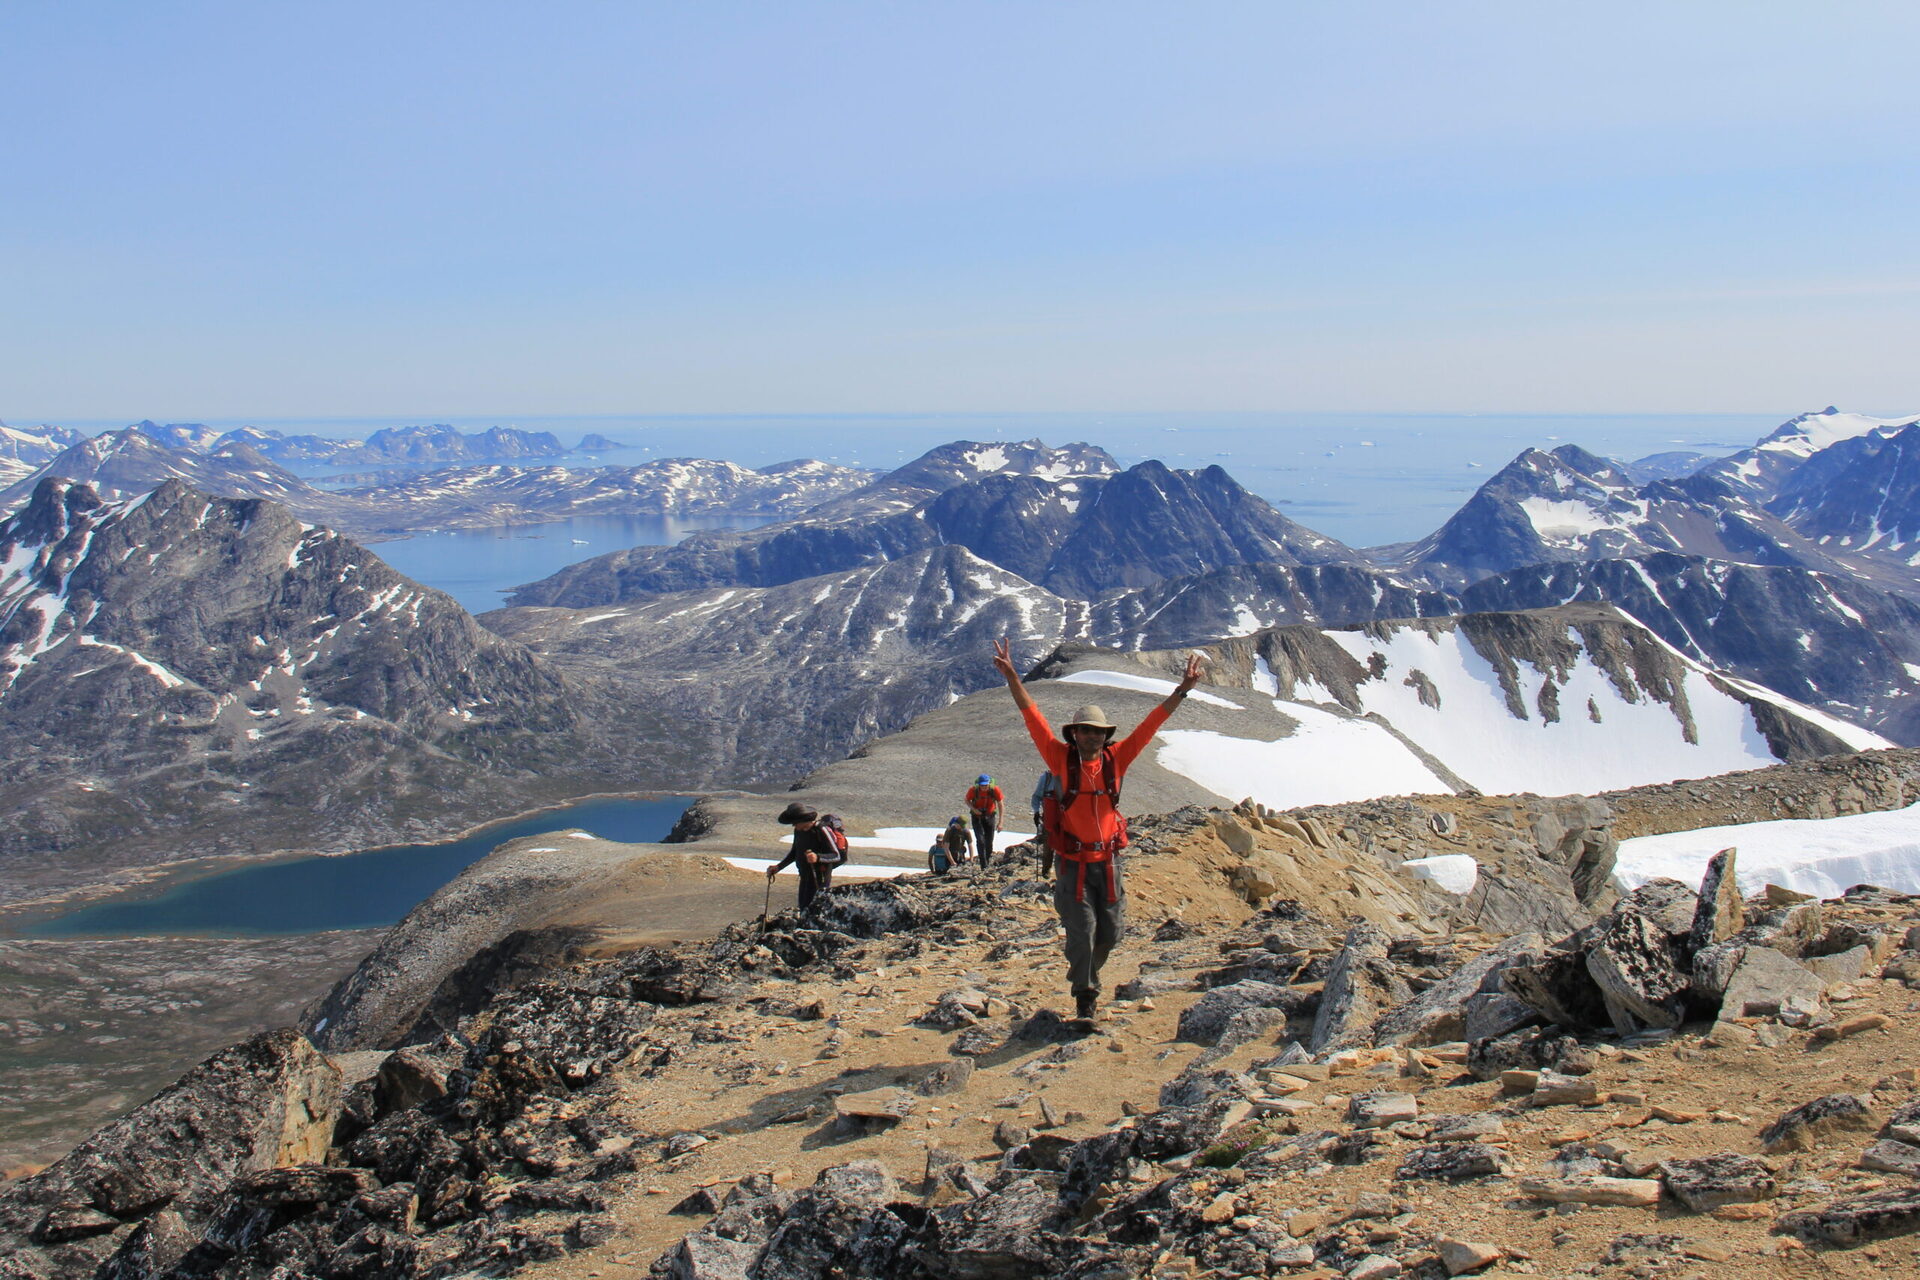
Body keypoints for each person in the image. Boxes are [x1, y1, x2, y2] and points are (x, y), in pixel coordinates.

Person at [992, 638, 1205, 1021]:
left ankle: (1087, 971)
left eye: (1098, 732)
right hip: (1072, 864)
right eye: (1085, 731)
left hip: (1107, 863)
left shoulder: (1116, 759)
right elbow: (1032, 717)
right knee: (1084, 932)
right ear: (1074, 734)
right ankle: (1085, 996)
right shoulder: (1058, 758)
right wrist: (1012, 677)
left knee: (1111, 933)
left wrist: (1182, 691)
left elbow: (1151, 724)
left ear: (1106, 736)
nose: (1092, 736)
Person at [766, 801, 837, 910]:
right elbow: (794, 852)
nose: (794, 825)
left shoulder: (821, 830)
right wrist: (779, 867)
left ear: (803, 820)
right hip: (805, 875)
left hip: (820, 877)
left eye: (795, 823)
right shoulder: (798, 831)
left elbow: (835, 855)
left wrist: (817, 857)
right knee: (803, 906)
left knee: (814, 908)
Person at [965, 774, 1004, 870]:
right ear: (979, 785)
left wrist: (1001, 822)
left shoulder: (995, 790)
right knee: (980, 840)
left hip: (990, 815)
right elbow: (966, 800)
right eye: (982, 785)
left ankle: (988, 859)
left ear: (989, 784)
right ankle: (983, 865)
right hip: (977, 817)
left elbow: (1000, 805)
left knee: (989, 841)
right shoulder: (973, 790)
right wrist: (974, 809)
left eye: (985, 785)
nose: (984, 787)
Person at [1029, 770, 1059, 879]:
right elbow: (1037, 796)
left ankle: (1064, 872)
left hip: (1067, 817)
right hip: (1049, 817)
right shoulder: (1046, 778)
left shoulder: (1072, 774)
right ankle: (1047, 870)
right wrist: (1036, 812)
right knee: (1048, 844)